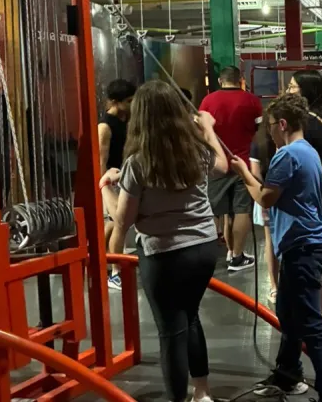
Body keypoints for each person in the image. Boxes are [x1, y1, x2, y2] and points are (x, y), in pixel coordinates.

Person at [99, 80, 229, 402]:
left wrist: (105, 187)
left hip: (164, 256)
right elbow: (223, 165)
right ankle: (202, 393)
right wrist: (208, 129)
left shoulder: (138, 163)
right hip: (203, 249)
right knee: (191, 317)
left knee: (171, 331)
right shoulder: (195, 152)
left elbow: (123, 220)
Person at [230, 93, 322, 402]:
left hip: (303, 248)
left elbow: (266, 198)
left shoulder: (287, 155)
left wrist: (243, 173)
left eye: (269, 125)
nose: (268, 132)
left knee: (311, 324)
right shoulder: (309, 152)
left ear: (282, 124)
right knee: (288, 312)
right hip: (310, 245)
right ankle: (287, 372)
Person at [199, 66, 262, 272]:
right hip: (243, 163)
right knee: (241, 210)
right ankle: (236, 256)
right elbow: (259, 131)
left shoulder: (208, 102)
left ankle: (215, 255)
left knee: (218, 212)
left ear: (220, 80)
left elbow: (202, 131)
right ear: (240, 80)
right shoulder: (252, 101)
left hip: (216, 164)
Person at [286, 69, 322, 312]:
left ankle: (312, 302)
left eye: (293, 87)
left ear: (305, 90)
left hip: (309, 187)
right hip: (321, 185)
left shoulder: (308, 121)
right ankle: (318, 301)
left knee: (309, 245)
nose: (288, 91)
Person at [97, 78, 136, 290]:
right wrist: (103, 187)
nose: (131, 104)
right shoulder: (105, 126)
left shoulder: (125, 121)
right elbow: (101, 161)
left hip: (123, 178)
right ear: (115, 101)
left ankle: (103, 264)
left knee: (116, 226)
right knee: (117, 225)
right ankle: (114, 272)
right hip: (110, 181)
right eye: (128, 101)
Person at [250, 125, 279, 303]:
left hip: (265, 195)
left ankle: (274, 287)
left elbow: (254, 172)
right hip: (286, 194)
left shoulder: (257, 141)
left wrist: (265, 190)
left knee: (270, 241)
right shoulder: (286, 139)